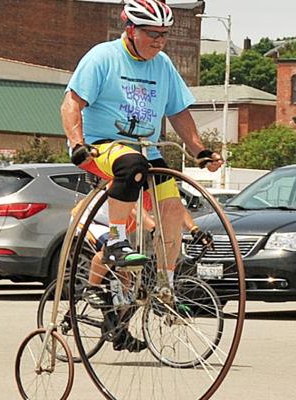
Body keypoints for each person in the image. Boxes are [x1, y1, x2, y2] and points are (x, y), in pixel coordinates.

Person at [60, 0, 223, 349]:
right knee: (131, 165)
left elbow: (179, 113)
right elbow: (71, 103)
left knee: (172, 209)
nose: (160, 41)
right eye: (152, 34)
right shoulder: (102, 57)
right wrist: (76, 143)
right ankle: (116, 241)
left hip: (147, 149)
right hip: (102, 145)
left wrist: (199, 150)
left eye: (164, 35)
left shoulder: (163, 65)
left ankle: (166, 284)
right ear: (131, 29)